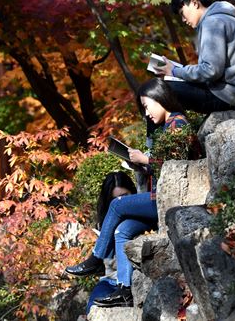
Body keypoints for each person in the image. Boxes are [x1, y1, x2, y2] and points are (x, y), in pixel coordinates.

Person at [65, 78, 188, 308]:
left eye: (146, 105)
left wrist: (146, 159)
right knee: (122, 230)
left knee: (117, 204)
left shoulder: (177, 123)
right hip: (157, 199)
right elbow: (164, 165)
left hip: (165, 200)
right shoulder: (165, 126)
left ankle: (96, 259)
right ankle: (124, 289)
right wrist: (141, 165)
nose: (147, 113)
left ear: (159, 98)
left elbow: (176, 164)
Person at [155, 0, 235, 114]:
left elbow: (210, 71)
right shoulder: (226, 18)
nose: (183, 19)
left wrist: (175, 72)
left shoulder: (212, 23)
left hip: (228, 96)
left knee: (159, 90)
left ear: (194, 3)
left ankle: (170, 133)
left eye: (182, 13)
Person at [84, 172, 137, 315]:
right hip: (110, 282)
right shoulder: (105, 223)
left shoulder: (140, 218)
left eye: (125, 197)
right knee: (93, 309)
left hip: (130, 283)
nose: (121, 203)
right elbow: (109, 264)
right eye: (115, 200)